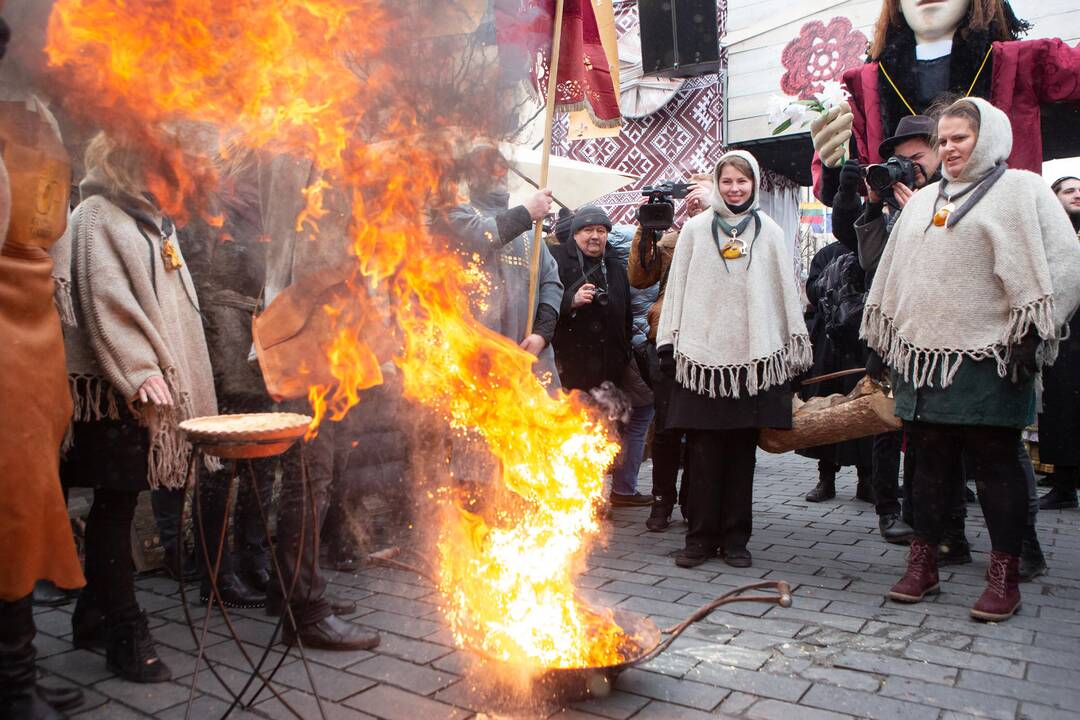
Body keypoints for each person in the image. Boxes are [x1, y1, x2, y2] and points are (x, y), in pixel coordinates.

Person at [866, 98, 1080, 622]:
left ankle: (1004, 575)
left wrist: (1037, 329)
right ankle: (925, 564)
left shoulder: (1024, 189)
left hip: (995, 356)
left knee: (996, 465)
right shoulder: (921, 201)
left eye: (960, 137)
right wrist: (881, 341)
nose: (949, 147)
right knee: (929, 466)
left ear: (987, 138)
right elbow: (893, 272)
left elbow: (1067, 263)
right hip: (923, 357)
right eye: (943, 139)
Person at [53, 131, 223, 681]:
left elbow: (175, 308)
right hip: (111, 392)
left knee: (119, 501)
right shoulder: (99, 215)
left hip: (144, 392)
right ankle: (126, 630)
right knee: (114, 504)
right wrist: (139, 369)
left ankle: (92, 616)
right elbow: (102, 300)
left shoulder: (153, 221)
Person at [657, 151, 812, 568]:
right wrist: (668, 342)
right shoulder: (693, 229)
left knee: (743, 456)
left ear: (754, 184)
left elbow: (783, 292)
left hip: (752, 362)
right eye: (727, 181)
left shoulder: (771, 232)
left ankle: (736, 538)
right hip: (701, 359)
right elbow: (678, 289)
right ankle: (699, 538)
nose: (734, 188)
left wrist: (790, 349)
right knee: (704, 452)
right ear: (717, 184)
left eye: (742, 181)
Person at [0, 31, 87, 715]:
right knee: (9, 504)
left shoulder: (33, 114)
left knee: (31, 500)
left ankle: (17, 664)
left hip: (34, 327)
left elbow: (45, 229)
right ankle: (10, 676)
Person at [811, 0, 1080, 204]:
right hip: (904, 247)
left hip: (997, 240)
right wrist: (833, 166)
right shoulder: (862, 84)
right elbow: (849, 188)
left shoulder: (1022, 62)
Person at [551, 206, 650, 506]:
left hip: (608, 371)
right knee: (573, 435)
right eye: (588, 230)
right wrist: (571, 300)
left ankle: (593, 499)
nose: (595, 236)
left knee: (602, 435)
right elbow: (544, 307)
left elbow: (625, 315)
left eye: (601, 231)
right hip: (571, 369)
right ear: (576, 233)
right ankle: (572, 500)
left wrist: (620, 358)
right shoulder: (557, 261)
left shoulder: (615, 265)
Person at [436, 146, 561, 382]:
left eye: (501, 165)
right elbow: (483, 234)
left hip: (529, 362)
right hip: (476, 361)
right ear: (470, 178)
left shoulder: (532, 235)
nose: (497, 171)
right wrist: (526, 212)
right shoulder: (455, 217)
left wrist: (541, 335)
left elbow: (551, 285)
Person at [629, 180, 711, 531]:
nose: (692, 202)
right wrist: (645, 227)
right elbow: (640, 275)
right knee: (665, 428)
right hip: (665, 343)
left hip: (707, 343)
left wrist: (710, 213)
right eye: (689, 197)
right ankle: (661, 500)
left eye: (701, 195)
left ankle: (693, 500)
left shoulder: (725, 234)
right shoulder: (674, 239)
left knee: (698, 429)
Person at [799, 238, 873, 506]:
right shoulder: (827, 253)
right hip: (829, 343)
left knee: (866, 408)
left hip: (863, 342)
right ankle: (826, 477)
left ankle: (868, 479)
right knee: (827, 409)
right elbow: (813, 290)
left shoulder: (873, 248)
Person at [1038, 176, 1080, 512]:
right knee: (1061, 407)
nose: (1078, 194)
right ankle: (1064, 482)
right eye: (1069, 190)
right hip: (1061, 335)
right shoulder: (1045, 235)